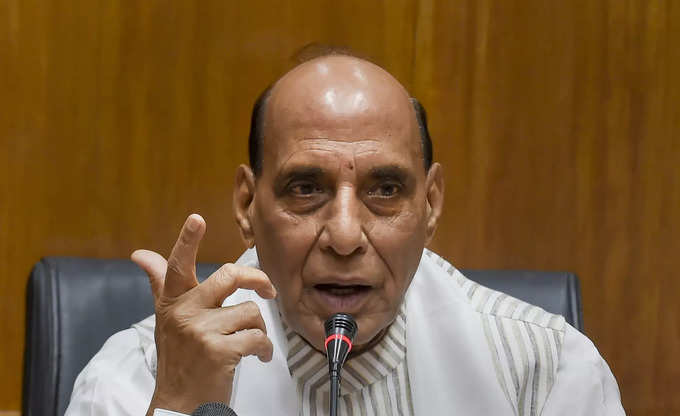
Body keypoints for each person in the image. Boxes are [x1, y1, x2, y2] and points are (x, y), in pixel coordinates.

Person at [65, 52, 625, 416]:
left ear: (429, 205)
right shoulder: (136, 378)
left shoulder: (546, 373)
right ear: (246, 204)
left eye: (385, 190)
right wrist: (178, 407)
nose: (344, 235)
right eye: (306, 188)